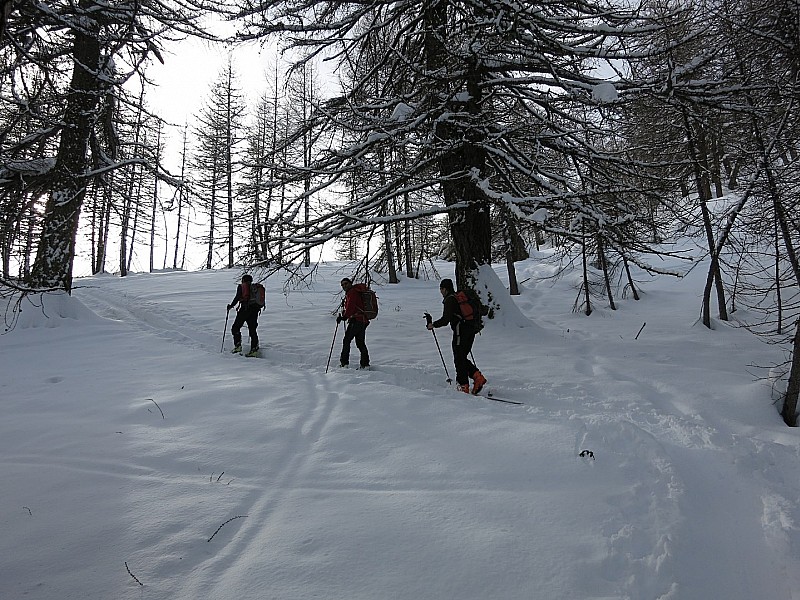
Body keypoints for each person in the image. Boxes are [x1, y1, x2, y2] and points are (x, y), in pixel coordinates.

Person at [426, 278, 487, 394]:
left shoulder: (450, 300)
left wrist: (433, 325)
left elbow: (446, 319)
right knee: (462, 357)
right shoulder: (459, 297)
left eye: (441, 289)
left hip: (461, 330)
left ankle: (463, 385)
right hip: (471, 328)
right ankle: (477, 377)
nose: (440, 291)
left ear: (444, 289)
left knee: (459, 358)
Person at [337, 277, 370, 369]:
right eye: (342, 285)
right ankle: (365, 364)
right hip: (362, 320)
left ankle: (344, 363)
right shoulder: (354, 292)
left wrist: (344, 317)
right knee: (360, 343)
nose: (344, 286)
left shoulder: (352, 292)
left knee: (346, 340)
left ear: (350, 283)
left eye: (346, 284)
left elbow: (350, 306)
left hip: (356, 320)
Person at [227, 274, 261, 356]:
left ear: (243, 280)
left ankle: (238, 346)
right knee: (252, 329)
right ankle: (254, 349)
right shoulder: (255, 288)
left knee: (235, 327)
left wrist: (231, 306)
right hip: (255, 310)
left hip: (244, 310)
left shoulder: (242, 287)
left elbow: (237, 297)